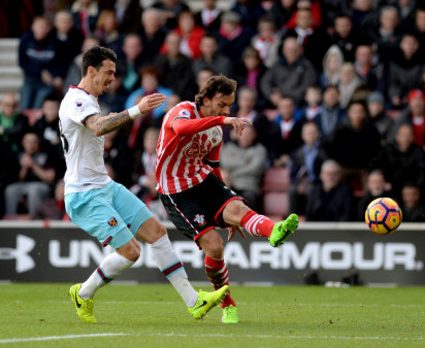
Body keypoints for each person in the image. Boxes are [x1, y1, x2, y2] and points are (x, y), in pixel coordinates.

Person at [60, 45, 228, 324]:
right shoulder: (76, 100)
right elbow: (99, 127)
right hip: (83, 194)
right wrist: (137, 110)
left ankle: (194, 302)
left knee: (157, 232)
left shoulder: (89, 99)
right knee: (131, 252)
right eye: (109, 72)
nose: (113, 78)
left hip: (104, 185)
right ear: (91, 70)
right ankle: (84, 292)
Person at [155, 74, 300, 324]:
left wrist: (225, 201)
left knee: (238, 208)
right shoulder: (183, 110)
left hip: (203, 180)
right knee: (215, 247)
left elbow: (213, 166)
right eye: (222, 104)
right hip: (176, 191)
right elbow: (180, 129)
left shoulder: (215, 131)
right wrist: (223, 119)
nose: (227, 110)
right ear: (207, 99)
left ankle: (274, 230)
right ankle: (227, 304)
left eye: (229, 105)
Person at [4, 132, 57, 216]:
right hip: (23, 185)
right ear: (23, 143)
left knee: (34, 190)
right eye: (28, 142)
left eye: (34, 142)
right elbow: (18, 179)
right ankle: (11, 219)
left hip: (42, 185)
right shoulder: (18, 156)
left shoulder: (46, 155)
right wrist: (24, 167)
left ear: (38, 143)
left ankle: (35, 220)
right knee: (10, 190)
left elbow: (50, 178)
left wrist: (33, 165)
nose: (31, 145)